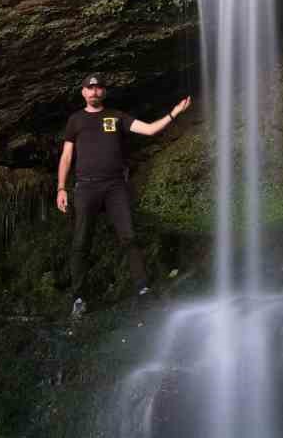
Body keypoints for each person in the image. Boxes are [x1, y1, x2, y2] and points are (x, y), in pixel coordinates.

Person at [57, 74, 191, 320]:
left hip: (114, 186)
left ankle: (143, 289)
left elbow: (149, 130)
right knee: (80, 243)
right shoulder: (75, 120)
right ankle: (78, 298)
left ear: (104, 93)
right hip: (85, 188)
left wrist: (174, 113)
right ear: (83, 92)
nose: (95, 92)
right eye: (90, 88)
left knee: (129, 237)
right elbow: (66, 157)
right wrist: (61, 188)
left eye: (99, 88)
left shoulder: (116, 116)